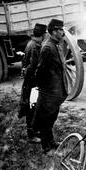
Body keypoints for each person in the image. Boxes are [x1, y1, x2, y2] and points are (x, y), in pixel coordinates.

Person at [32, 19, 68, 153]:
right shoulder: (48, 47)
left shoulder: (55, 44)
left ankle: (50, 141)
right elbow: (40, 71)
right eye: (60, 30)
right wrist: (45, 89)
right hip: (49, 91)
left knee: (52, 116)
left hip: (55, 90)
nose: (62, 32)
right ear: (53, 31)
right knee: (46, 117)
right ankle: (45, 145)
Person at [18, 23, 47, 143]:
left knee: (32, 106)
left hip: (29, 82)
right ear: (43, 34)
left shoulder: (31, 44)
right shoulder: (35, 47)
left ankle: (35, 131)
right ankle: (32, 135)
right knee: (32, 108)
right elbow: (34, 66)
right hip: (32, 83)